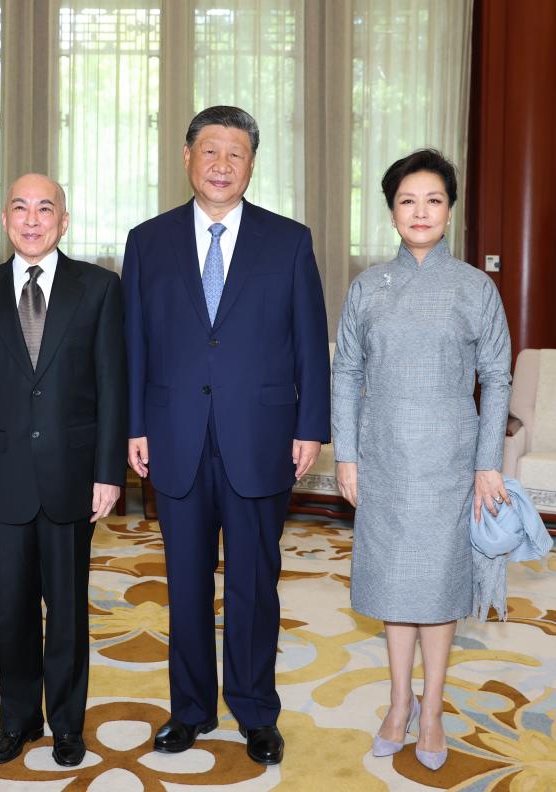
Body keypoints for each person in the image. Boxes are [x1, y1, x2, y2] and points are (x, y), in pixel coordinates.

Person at [123, 106, 330, 766]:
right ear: (186, 157)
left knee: (253, 582)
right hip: (174, 437)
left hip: (262, 437)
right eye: (208, 150)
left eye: (234, 153)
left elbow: (309, 346)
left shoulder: (288, 240)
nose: (220, 164)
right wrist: (134, 426)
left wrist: (311, 426)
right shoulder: (147, 241)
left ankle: (254, 709)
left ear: (251, 165)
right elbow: (134, 346)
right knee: (183, 584)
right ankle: (189, 709)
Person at [331, 149, 511, 771]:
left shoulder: (474, 287)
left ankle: (432, 707)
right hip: (382, 458)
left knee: (438, 587)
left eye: (433, 199)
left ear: (450, 210)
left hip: (451, 460)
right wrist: (346, 457)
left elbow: (497, 375)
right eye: (407, 200)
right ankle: (397, 700)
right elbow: (346, 371)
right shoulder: (366, 287)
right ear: (391, 212)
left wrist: (488, 462)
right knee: (394, 586)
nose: (421, 211)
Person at [0, 173, 127, 768]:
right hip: (0, 477)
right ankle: (17, 720)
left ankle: (68, 725)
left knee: (69, 611)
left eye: (44, 208)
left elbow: (111, 385)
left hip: (72, 475)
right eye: (20, 208)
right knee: (13, 609)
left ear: (64, 220)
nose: (32, 219)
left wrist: (109, 472)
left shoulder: (99, 288)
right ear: (5, 219)